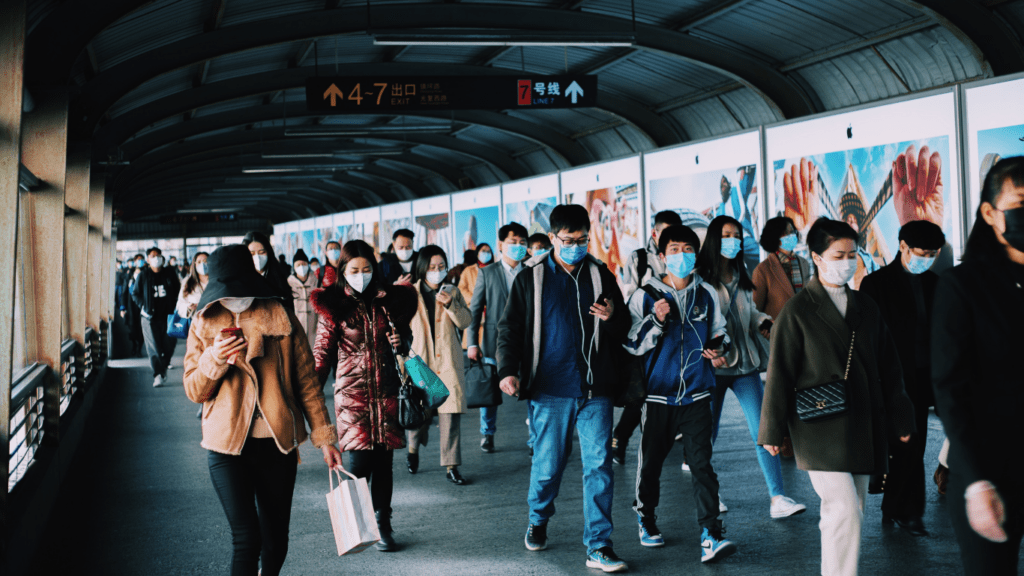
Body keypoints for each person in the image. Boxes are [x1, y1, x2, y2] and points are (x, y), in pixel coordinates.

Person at [759, 218, 915, 576]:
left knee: (853, 510)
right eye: (837, 254)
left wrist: (902, 415)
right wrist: (771, 430)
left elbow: (890, 367)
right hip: (819, 424)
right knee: (843, 508)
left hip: (863, 419)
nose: (847, 262)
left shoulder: (866, 307)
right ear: (816, 256)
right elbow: (780, 372)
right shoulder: (796, 312)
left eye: (852, 254)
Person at [182, 244, 342, 576]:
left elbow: (307, 383)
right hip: (226, 445)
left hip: (276, 442)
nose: (232, 297)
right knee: (246, 539)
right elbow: (194, 390)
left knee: (275, 540)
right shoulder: (203, 321)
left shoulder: (280, 314)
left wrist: (325, 437)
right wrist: (214, 359)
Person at [497, 204, 631, 573]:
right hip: (550, 388)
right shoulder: (532, 278)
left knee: (599, 466)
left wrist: (613, 316)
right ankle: (538, 517)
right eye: (568, 240)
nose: (576, 246)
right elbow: (509, 329)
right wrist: (508, 370)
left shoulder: (601, 275)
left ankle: (599, 545)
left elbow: (624, 327)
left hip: (595, 389)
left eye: (583, 240)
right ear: (552, 237)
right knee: (547, 468)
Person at [932, 156, 1024, 575]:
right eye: (1021, 203)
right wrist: (975, 480)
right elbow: (951, 389)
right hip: (993, 468)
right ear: (990, 213)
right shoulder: (964, 285)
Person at [622, 224, 735, 563]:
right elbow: (631, 344)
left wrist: (719, 350)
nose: (682, 255)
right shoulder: (646, 295)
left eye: (688, 249)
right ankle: (646, 517)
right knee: (651, 464)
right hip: (658, 396)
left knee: (702, 464)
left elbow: (721, 334)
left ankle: (711, 533)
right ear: (661, 255)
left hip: (699, 393)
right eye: (674, 249)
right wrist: (655, 322)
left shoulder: (708, 294)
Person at [311, 240, 418, 552]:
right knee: (359, 463)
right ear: (343, 271)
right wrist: (307, 395)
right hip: (352, 396)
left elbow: (404, 340)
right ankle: (356, 523)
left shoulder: (387, 301)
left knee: (384, 462)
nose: (361, 275)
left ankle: (383, 523)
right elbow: (322, 355)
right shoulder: (332, 305)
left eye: (367, 269)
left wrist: (401, 341)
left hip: (387, 392)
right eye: (354, 270)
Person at [696, 216, 806, 520]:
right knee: (707, 434)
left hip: (745, 366)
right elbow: (694, 322)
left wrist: (763, 323)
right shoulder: (700, 278)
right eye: (726, 235)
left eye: (737, 235)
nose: (733, 241)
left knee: (765, 429)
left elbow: (752, 310)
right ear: (714, 239)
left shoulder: (742, 273)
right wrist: (707, 349)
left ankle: (778, 497)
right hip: (713, 368)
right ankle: (710, 495)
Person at [859, 220, 945, 537]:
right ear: (903, 247)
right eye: (922, 253)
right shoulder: (875, 284)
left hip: (924, 379)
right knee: (903, 444)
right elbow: (867, 338)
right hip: (891, 381)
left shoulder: (936, 283)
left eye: (934, 254)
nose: (927, 258)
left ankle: (897, 508)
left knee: (913, 444)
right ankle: (905, 511)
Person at [612, 210, 683, 465]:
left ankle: (660, 436)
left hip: (677, 335)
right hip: (647, 333)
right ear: (655, 233)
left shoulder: (683, 254)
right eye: (666, 233)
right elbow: (630, 297)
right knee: (644, 390)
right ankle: (622, 437)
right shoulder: (639, 258)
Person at [406, 245, 473, 484]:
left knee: (449, 415)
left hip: (448, 362)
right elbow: (397, 324)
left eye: (441, 266)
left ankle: (451, 466)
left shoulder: (452, 291)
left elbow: (465, 322)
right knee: (418, 414)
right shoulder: (409, 292)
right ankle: (413, 451)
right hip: (418, 362)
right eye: (432, 267)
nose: (437, 271)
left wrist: (450, 305)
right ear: (422, 268)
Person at [467, 223, 529, 453]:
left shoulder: (531, 271)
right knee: (490, 392)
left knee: (530, 389)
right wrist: (472, 342)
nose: (518, 247)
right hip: (494, 343)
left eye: (523, 242)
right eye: (513, 242)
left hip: (526, 342)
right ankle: (487, 433)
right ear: (500, 245)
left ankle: (534, 437)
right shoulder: (487, 272)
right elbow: (475, 310)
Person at [752, 215, 811, 458]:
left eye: (793, 231)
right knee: (783, 388)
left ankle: (804, 433)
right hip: (781, 337)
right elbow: (755, 310)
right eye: (786, 232)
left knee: (805, 385)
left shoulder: (804, 264)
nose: (792, 236)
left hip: (806, 335)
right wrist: (771, 334)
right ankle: (784, 438)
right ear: (775, 238)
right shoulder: (763, 270)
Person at [131, 247, 181, 387]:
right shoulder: (143, 275)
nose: (156, 258)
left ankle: (163, 367)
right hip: (149, 317)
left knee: (169, 345)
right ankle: (158, 374)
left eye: (158, 255)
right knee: (154, 347)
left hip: (169, 316)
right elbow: (135, 293)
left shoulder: (169, 273)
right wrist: (144, 306)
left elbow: (178, 291)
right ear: (148, 259)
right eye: (152, 256)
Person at [244, 231, 294, 313]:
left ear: (269, 253)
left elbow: (289, 311)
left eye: (262, 252)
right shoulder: (240, 282)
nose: (257, 257)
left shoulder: (279, 280)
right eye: (252, 254)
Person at [286, 249, 318, 351]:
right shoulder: (288, 283)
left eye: (303, 264)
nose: (301, 267)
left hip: (314, 327)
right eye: (298, 265)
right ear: (294, 267)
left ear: (308, 265)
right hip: (296, 326)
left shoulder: (316, 280)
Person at [123, 254, 146, 357]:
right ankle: (134, 346)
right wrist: (122, 307)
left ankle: (138, 349)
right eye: (137, 260)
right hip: (131, 305)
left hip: (142, 305)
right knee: (132, 328)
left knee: (141, 329)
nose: (139, 261)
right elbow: (124, 291)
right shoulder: (129, 274)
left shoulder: (146, 273)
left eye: (141, 259)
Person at [176, 251, 209, 320]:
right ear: (195, 264)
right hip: (196, 324)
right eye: (199, 262)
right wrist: (188, 308)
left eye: (205, 261)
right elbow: (180, 305)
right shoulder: (188, 282)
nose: (202, 264)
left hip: (216, 322)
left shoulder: (217, 281)